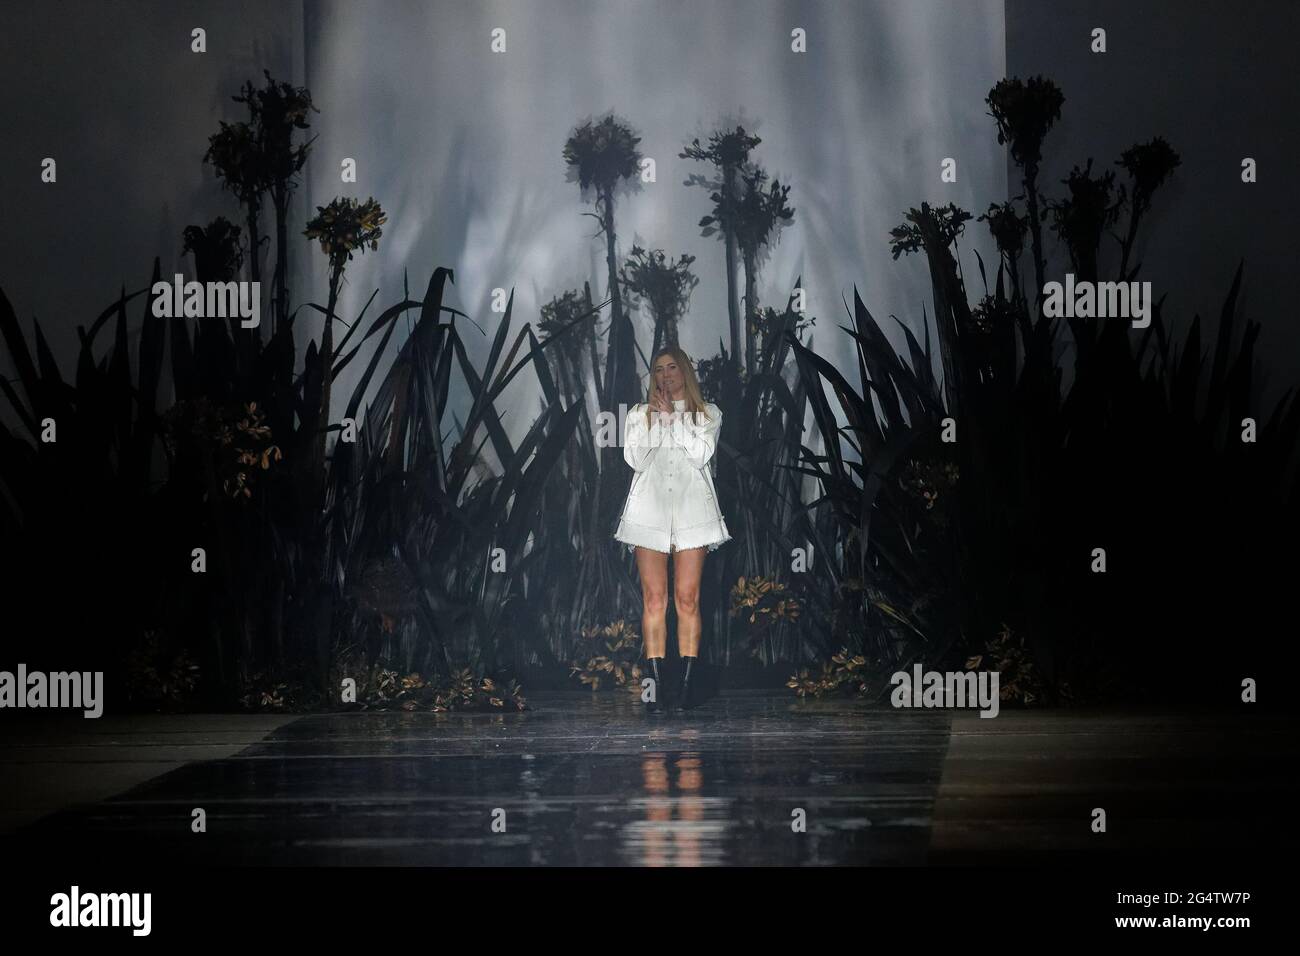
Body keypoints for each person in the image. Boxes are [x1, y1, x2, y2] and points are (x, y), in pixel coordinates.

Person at [614, 347, 731, 716]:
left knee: (687, 599)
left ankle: (685, 688)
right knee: (654, 600)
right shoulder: (637, 415)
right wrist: (657, 421)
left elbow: (700, 455)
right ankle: (658, 687)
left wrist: (674, 420)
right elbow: (635, 459)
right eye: (658, 369)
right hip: (649, 514)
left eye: (672, 368)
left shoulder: (708, 413)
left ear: (685, 372)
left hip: (692, 514)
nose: (665, 375)